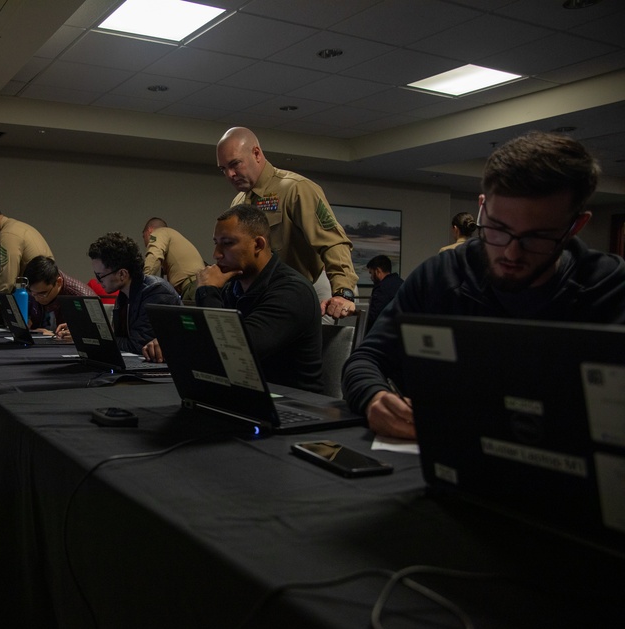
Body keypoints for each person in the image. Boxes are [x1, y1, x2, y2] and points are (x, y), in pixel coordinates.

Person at [343, 131, 625, 440]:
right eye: (498, 229)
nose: (510, 253)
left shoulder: (610, 290)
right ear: (482, 207)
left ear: (576, 226)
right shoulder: (441, 276)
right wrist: (375, 398)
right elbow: (365, 359)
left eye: (537, 237)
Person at [143, 204, 322, 392]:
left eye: (227, 243)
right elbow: (207, 341)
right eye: (216, 243)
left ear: (258, 245)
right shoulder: (233, 287)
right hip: (242, 393)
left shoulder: (292, 291)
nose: (216, 254)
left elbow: (235, 351)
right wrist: (175, 343)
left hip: (290, 401)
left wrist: (208, 290)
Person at [216, 126, 359, 320]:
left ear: (256, 154)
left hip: (308, 290)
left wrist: (343, 292)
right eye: (224, 169)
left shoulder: (295, 189)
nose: (230, 175)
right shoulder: (238, 202)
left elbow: (333, 242)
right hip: (267, 297)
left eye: (235, 164)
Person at [56, 231, 180, 354]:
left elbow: (137, 346)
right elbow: (118, 337)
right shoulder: (125, 294)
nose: (98, 282)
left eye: (100, 276)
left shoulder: (156, 292)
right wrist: (83, 330)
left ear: (122, 274)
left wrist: (90, 337)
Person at [0, 200, 53, 325]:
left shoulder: (7, 235)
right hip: (42, 298)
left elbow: (6, 280)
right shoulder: (18, 227)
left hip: (36, 302)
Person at [22, 255, 95, 332]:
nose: (36, 299)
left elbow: (95, 334)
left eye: (42, 294)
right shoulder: (33, 290)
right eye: (32, 293)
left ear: (58, 282)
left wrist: (55, 337)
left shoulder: (82, 298)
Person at [141, 217, 205, 302]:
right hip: (194, 286)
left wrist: (141, 285)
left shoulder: (158, 232)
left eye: (143, 236)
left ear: (150, 230)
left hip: (192, 288)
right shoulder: (173, 236)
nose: (145, 242)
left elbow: (154, 257)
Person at [363, 255, 403, 330]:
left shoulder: (382, 288)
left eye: (371, 273)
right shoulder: (401, 283)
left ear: (377, 271)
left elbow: (374, 317)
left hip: (383, 332)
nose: (371, 277)